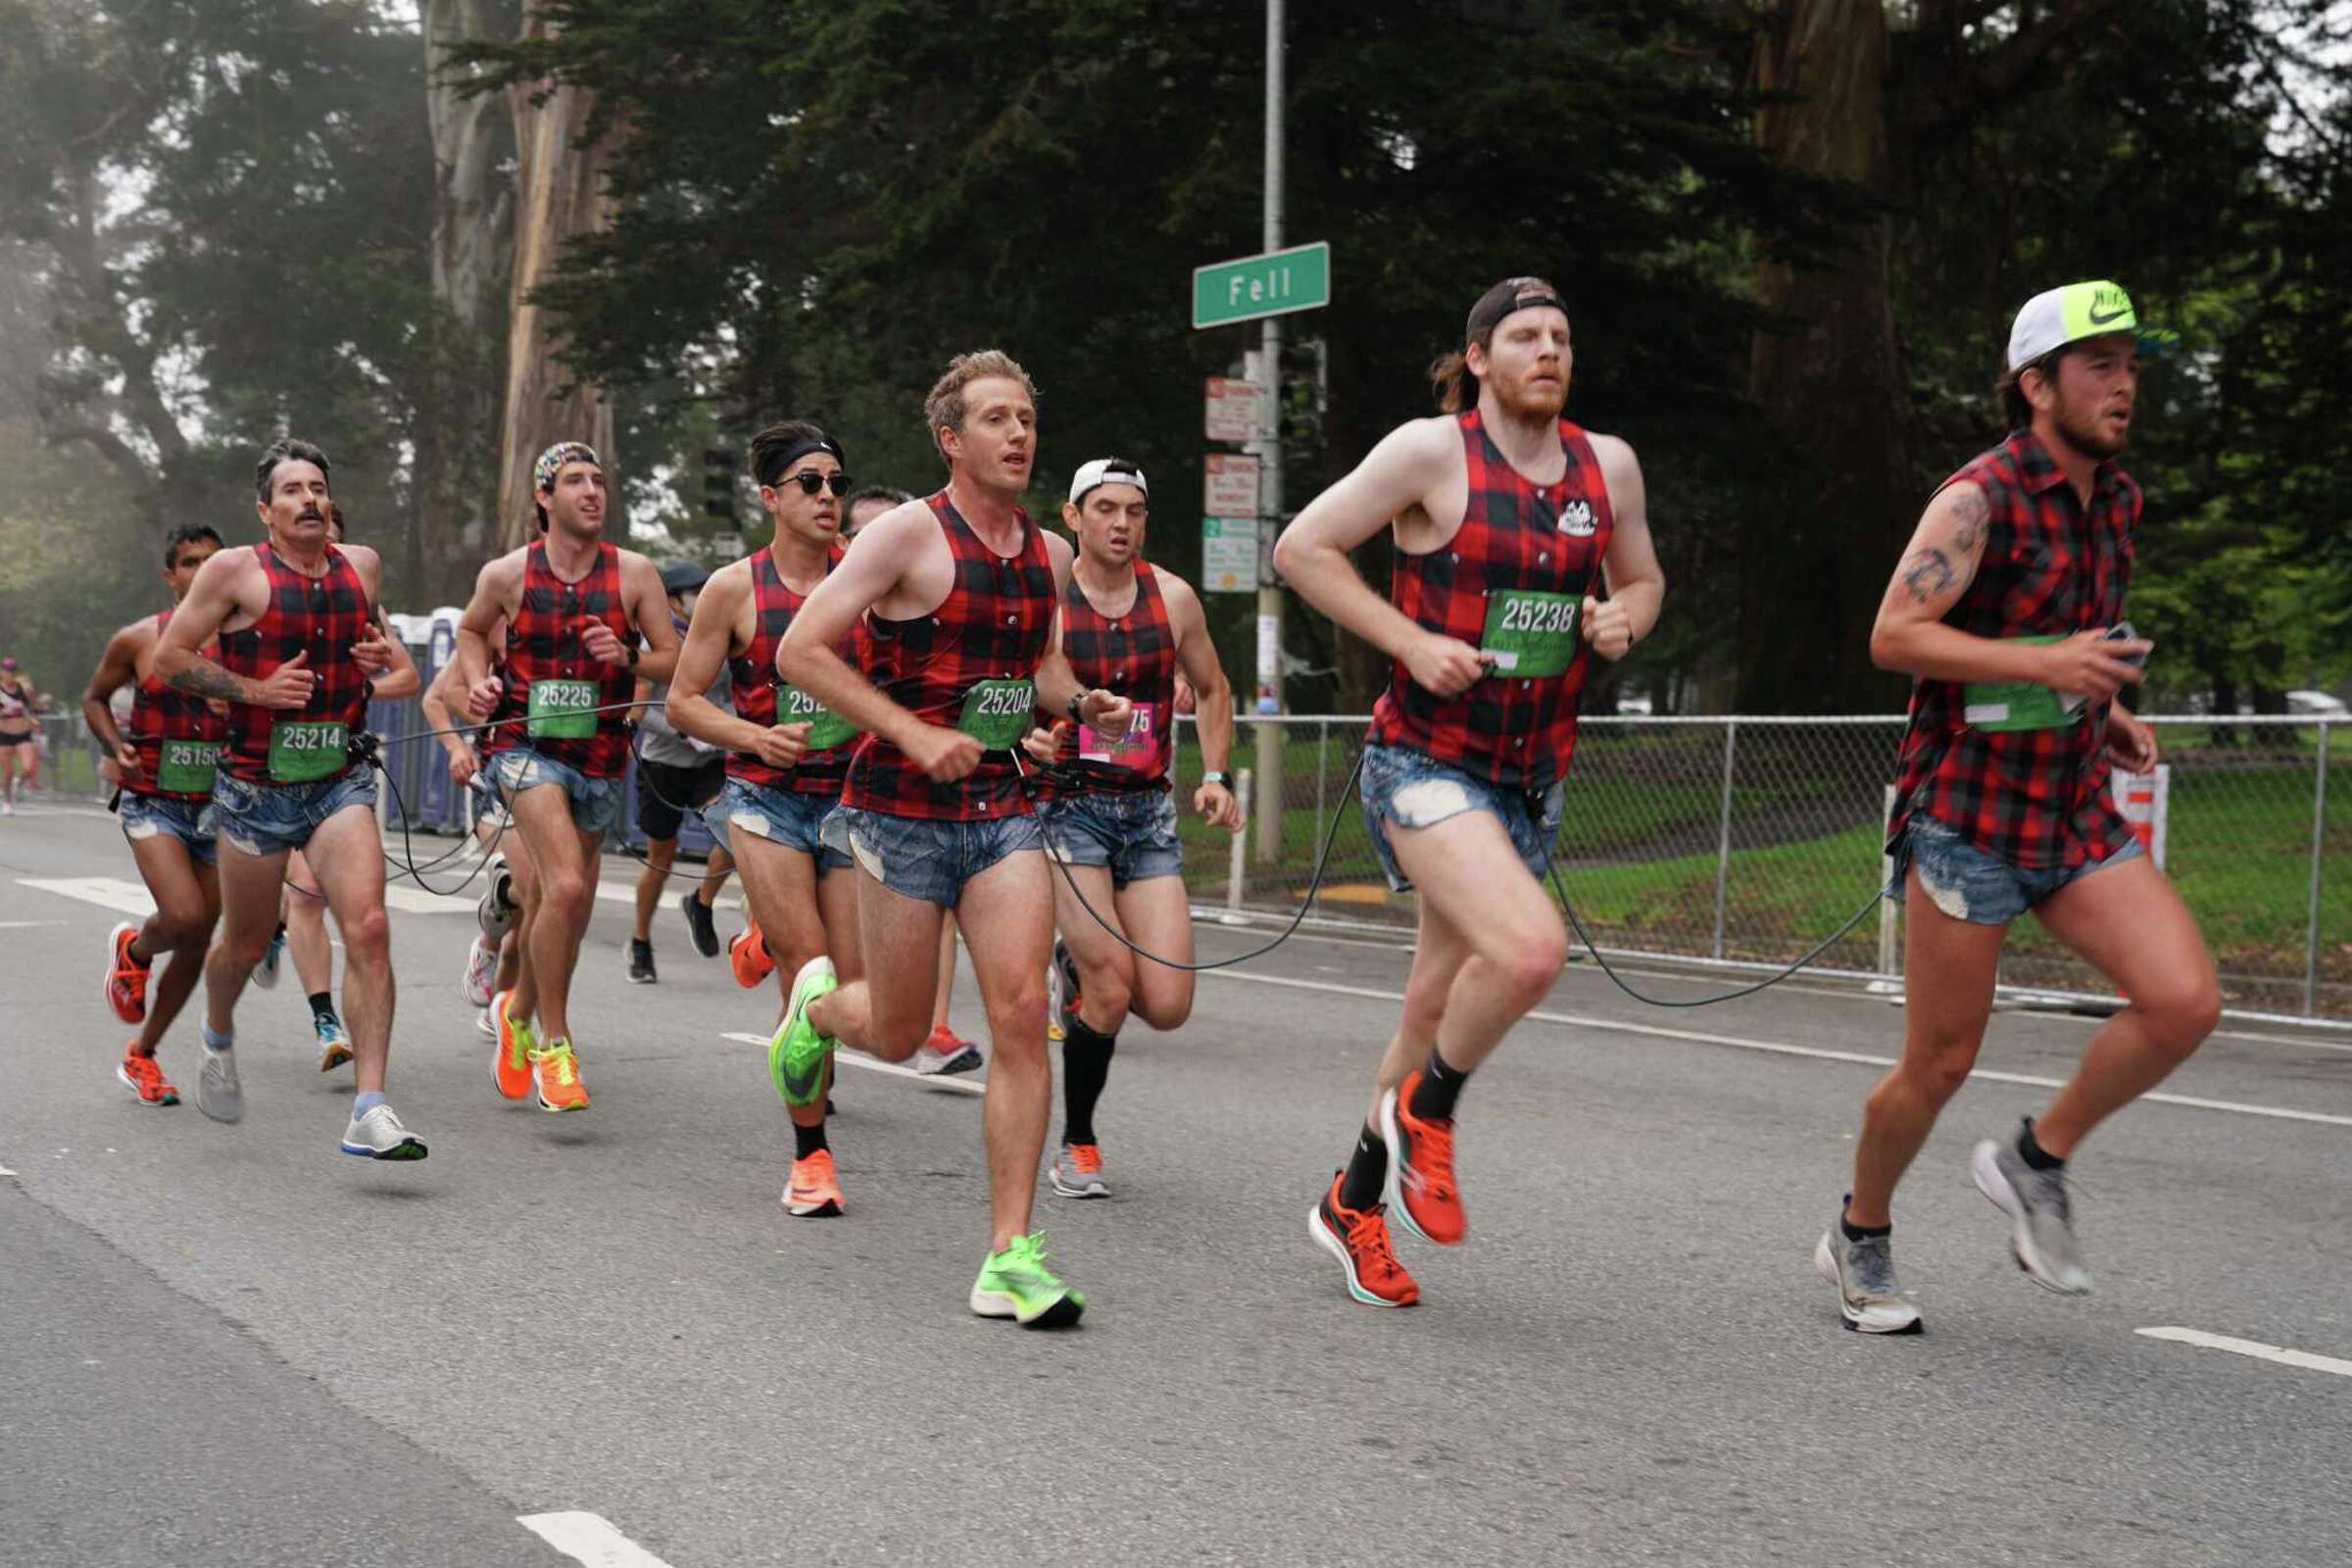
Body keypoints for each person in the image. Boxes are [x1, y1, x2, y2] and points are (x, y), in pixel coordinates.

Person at [1814, 280, 2218, 1334]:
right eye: (2100, 365)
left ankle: (2037, 1161)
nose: (2123, 385)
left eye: (2131, 365)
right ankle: (1860, 1231)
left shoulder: (2119, 500)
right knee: (1941, 1061)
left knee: (2183, 1002)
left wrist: (2110, 703)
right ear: (2037, 385)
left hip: (2073, 803)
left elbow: (2075, 636)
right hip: (1969, 816)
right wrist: (2045, 661)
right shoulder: (1977, 499)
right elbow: (1894, 635)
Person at [1272, 276, 1664, 1307]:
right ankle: (1429, 1112)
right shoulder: (1428, 452)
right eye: (1526, 335)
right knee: (1531, 949)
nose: (1549, 350)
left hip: (1530, 777)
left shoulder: (1606, 465)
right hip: (1423, 760)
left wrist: (1626, 617)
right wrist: (1410, 641)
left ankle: (1353, 1204)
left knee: (1433, 1001)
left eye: (1563, 336)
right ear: (1480, 357)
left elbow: (1644, 581)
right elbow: (1301, 549)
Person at [775, 349, 1132, 1325]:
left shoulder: (1046, 555)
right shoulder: (902, 535)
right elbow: (798, 650)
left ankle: (1010, 1254)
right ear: (951, 439)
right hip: (897, 809)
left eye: (1026, 415)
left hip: (1004, 806)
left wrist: (1079, 698)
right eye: (997, 418)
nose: (1020, 433)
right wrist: (911, 730)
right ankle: (813, 1012)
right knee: (893, 1029)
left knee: (1019, 1012)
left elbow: (1038, 666)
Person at [154, 437, 426, 1159]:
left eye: (317, 488)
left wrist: (374, 667)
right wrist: (257, 692)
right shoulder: (232, 571)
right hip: (253, 790)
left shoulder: (360, 567)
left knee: (368, 926)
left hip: (339, 779)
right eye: (292, 490)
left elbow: (398, 672)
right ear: (265, 509)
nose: (308, 499)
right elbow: (169, 659)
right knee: (242, 945)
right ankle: (216, 1037)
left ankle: (370, 1108)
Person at [1020, 458, 1242, 1199]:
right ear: (1073, 517)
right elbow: (1016, 686)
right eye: (1105, 509)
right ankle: (1077, 1145)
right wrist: (1036, 734)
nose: (1121, 524)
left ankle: (1075, 967)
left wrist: (1216, 776)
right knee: (1113, 993)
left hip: (1146, 813)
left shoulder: (1172, 597)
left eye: (1134, 511)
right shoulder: (1047, 597)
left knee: (1169, 1006)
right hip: (1068, 807)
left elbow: (1213, 688)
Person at [669, 420, 867, 1215]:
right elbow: (684, 701)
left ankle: (761, 933)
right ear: (771, 498)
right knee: (810, 973)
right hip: (765, 801)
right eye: (810, 485)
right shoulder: (735, 589)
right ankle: (811, 1157)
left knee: (851, 996)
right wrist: (755, 735)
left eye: (837, 484)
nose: (828, 498)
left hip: (852, 803)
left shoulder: (865, 578)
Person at [454, 441, 680, 1112]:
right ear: (544, 499)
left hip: (602, 758)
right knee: (568, 883)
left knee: (566, 910)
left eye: (599, 481)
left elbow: (677, 661)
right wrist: (477, 684)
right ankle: (556, 1042)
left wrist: (631, 656)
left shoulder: (635, 574)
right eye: (574, 481)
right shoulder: (508, 574)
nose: (591, 491)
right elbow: (470, 633)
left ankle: (516, 1014)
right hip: (525, 747)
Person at [86, 524, 229, 1105]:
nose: (201, 571)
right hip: (154, 800)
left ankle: (142, 1055)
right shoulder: (138, 640)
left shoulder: (248, 641)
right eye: (190, 562)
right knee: (187, 916)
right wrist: (111, 744)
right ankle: (137, 951)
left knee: (197, 939)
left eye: (213, 562)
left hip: (221, 805)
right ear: (171, 577)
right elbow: (94, 698)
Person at [277, 500, 420, 1071]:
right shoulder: (260, 595)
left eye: (334, 542)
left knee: (313, 894)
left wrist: (363, 688)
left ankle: (327, 1023)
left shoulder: (363, 602)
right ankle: (273, 950)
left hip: (338, 770)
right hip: (268, 769)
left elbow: (407, 677)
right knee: (284, 901)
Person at [625, 561, 737, 984]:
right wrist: (683, 728)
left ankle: (702, 903)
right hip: (663, 763)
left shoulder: (719, 633)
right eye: (693, 591)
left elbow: (729, 695)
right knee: (661, 858)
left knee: (734, 831)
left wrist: (724, 728)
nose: (702, 596)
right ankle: (640, 941)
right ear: (672, 599)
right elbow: (640, 709)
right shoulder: (656, 643)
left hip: (710, 762)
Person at [420, 619, 531, 1035]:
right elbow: (437, 697)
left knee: (537, 913)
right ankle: (488, 942)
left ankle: (502, 1008)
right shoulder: (487, 632)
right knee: (527, 886)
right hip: (495, 778)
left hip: (560, 778)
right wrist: (457, 746)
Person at [0, 655, 49, 811]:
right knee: (8, 772)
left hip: (23, 734)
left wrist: (33, 696)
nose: (10, 674)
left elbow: (35, 707)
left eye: (13, 671)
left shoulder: (22, 688)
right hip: (4, 735)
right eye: (7, 671)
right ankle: (7, 802)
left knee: (28, 768)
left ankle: (18, 784)